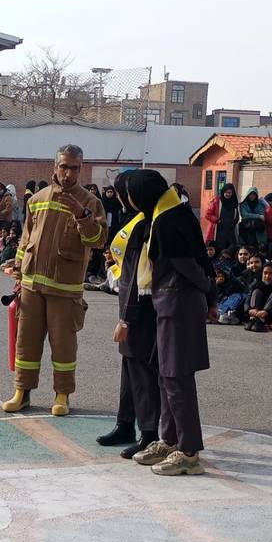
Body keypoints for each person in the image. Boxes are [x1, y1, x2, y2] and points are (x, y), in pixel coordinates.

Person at [122, 170, 215, 476]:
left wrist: (208, 292)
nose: (129, 199)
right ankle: (170, 439)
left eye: (132, 193)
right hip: (167, 305)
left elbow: (190, 265)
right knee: (165, 376)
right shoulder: (167, 212)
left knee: (177, 378)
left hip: (178, 306)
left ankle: (188, 452)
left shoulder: (168, 221)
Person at [3, 144, 106, 417]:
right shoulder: (37, 199)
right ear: (54, 167)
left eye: (74, 168)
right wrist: (18, 267)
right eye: (64, 166)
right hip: (31, 287)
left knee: (63, 345)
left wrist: (81, 214)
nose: (68, 173)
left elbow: (98, 240)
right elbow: (26, 239)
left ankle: (62, 395)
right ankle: (21, 392)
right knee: (26, 342)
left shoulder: (91, 202)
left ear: (81, 169)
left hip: (65, 289)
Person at [97, 170, 163, 458]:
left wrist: (126, 318)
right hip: (129, 302)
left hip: (140, 311)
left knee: (142, 371)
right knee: (129, 369)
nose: (122, 197)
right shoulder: (137, 221)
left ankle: (149, 433)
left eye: (124, 192)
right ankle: (125, 423)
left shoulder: (147, 225)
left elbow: (140, 277)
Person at [243, 263, 272, 332]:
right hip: (256, 312)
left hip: (270, 314)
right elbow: (247, 300)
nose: (267, 276)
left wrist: (267, 311)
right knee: (256, 292)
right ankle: (253, 319)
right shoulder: (256, 283)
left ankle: (261, 321)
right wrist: (249, 310)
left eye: (271, 273)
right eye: (265, 273)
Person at [203, 183, 239, 251]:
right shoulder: (216, 201)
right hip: (218, 230)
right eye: (226, 192)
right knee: (218, 248)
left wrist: (233, 223)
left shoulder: (234, 203)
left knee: (230, 249)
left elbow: (237, 216)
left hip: (230, 231)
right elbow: (208, 214)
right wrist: (217, 220)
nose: (228, 194)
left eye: (230, 192)